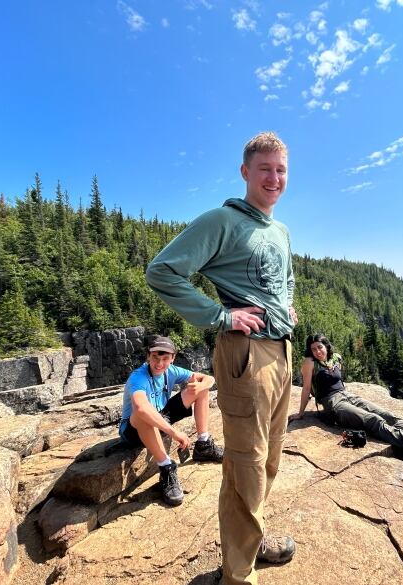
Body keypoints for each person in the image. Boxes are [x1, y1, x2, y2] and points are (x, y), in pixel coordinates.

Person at [146, 132, 296, 585]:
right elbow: (162, 271)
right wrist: (221, 315)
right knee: (246, 463)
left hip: (282, 351)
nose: (274, 178)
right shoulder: (223, 220)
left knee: (269, 459)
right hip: (245, 355)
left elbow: (283, 281)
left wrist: (288, 306)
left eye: (281, 169)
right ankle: (238, 574)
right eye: (265, 168)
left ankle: (251, 539)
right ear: (245, 172)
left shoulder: (280, 230)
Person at [289, 333, 403, 466]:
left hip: (347, 395)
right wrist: (301, 413)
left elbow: (339, 380)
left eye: (320, 347)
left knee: (387, 415)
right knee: (373, 420)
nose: (317, 351)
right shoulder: (309, 363)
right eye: (313, 349)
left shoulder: (336, 358)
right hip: (333, 404)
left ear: (326, 346)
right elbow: (306, 388)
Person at [120, 335, 224, 506]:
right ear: (148, 356)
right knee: (143, 413)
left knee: (199, 387)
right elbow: (141, 408)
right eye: (155, 357)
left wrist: (203, 385)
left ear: (173, 358)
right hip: (133, 429)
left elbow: (208, 378)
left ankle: (203, 445)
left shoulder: (172, 371)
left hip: (161, 415)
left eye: (165, 358)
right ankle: (166, 467)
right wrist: (174, 433)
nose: (160, 363)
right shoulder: (138, 377)